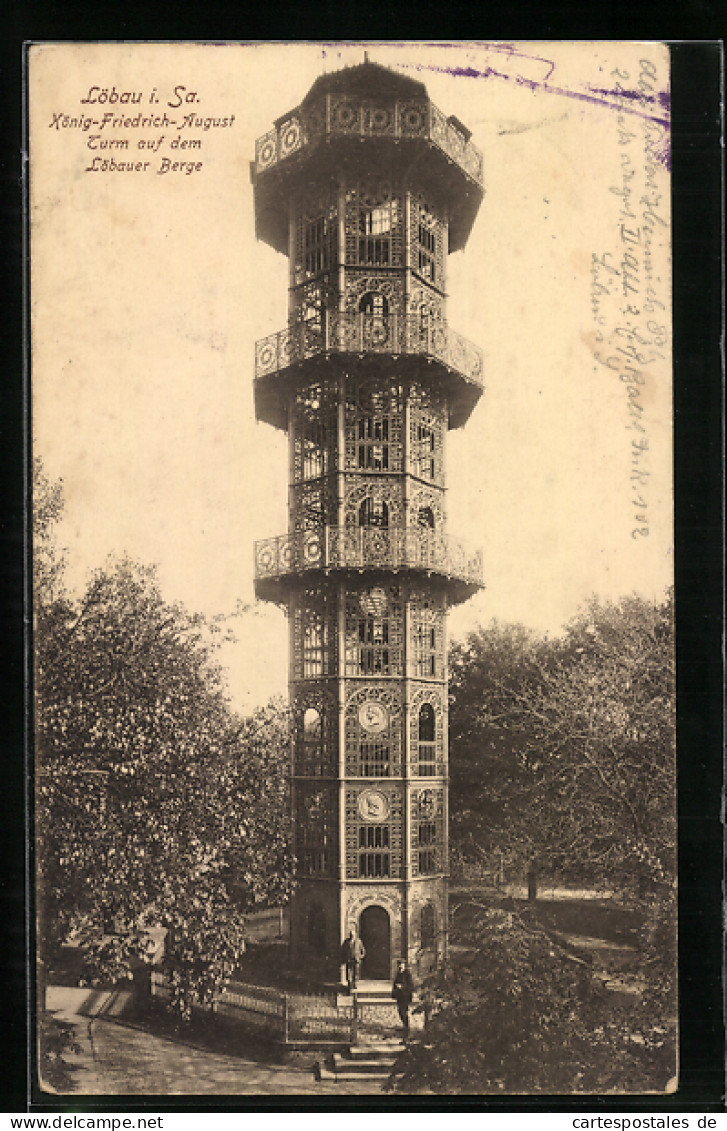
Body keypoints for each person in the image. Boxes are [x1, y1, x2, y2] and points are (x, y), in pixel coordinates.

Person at [391, 960, 415, 1036]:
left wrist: (402, 987)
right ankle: (405, 1025)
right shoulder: (398, 973)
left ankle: (407, 1028)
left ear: (404, 965)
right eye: (399, 965)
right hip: (400, 996)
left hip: (406, 996)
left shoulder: (408, 974)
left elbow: (411, 986)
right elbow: (395, 983)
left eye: (402, 965)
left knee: (404, 1012)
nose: (400, 966)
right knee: (400, 1011)